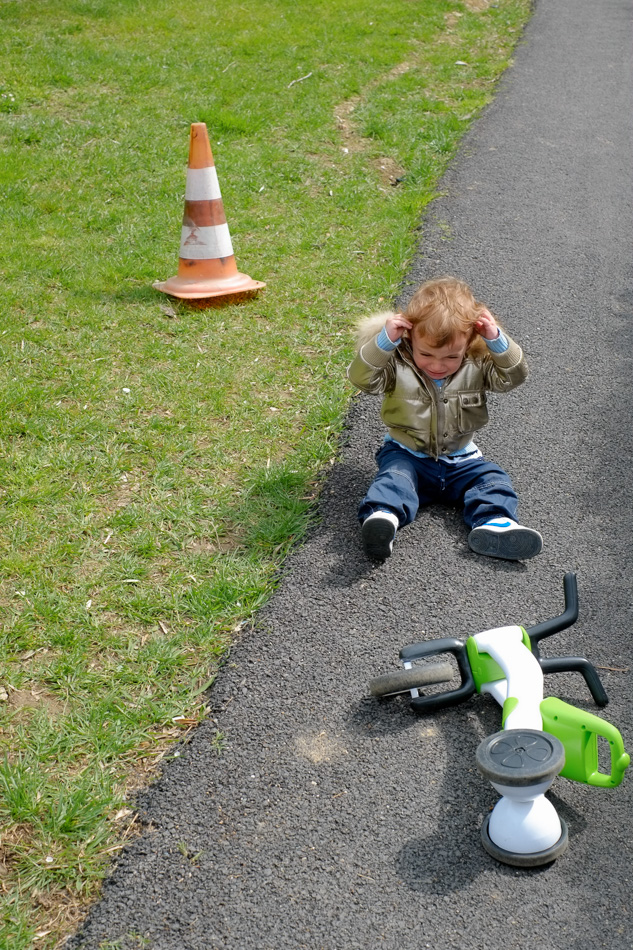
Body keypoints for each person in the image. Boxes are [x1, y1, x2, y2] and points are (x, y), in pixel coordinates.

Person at [347, 276, 542, 562]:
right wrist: (382, 343)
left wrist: (497, 342)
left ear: (470, 343)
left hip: (461, 458)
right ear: (409, 338)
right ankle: (382, 518)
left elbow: (513, 377)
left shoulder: (478, 364)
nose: (437, 365)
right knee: (395, 478)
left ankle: (495, 522)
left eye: (451, 357)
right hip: (407, 452)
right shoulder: (397, 363)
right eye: (426, 354)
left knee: (492, 479)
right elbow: (362, 379)